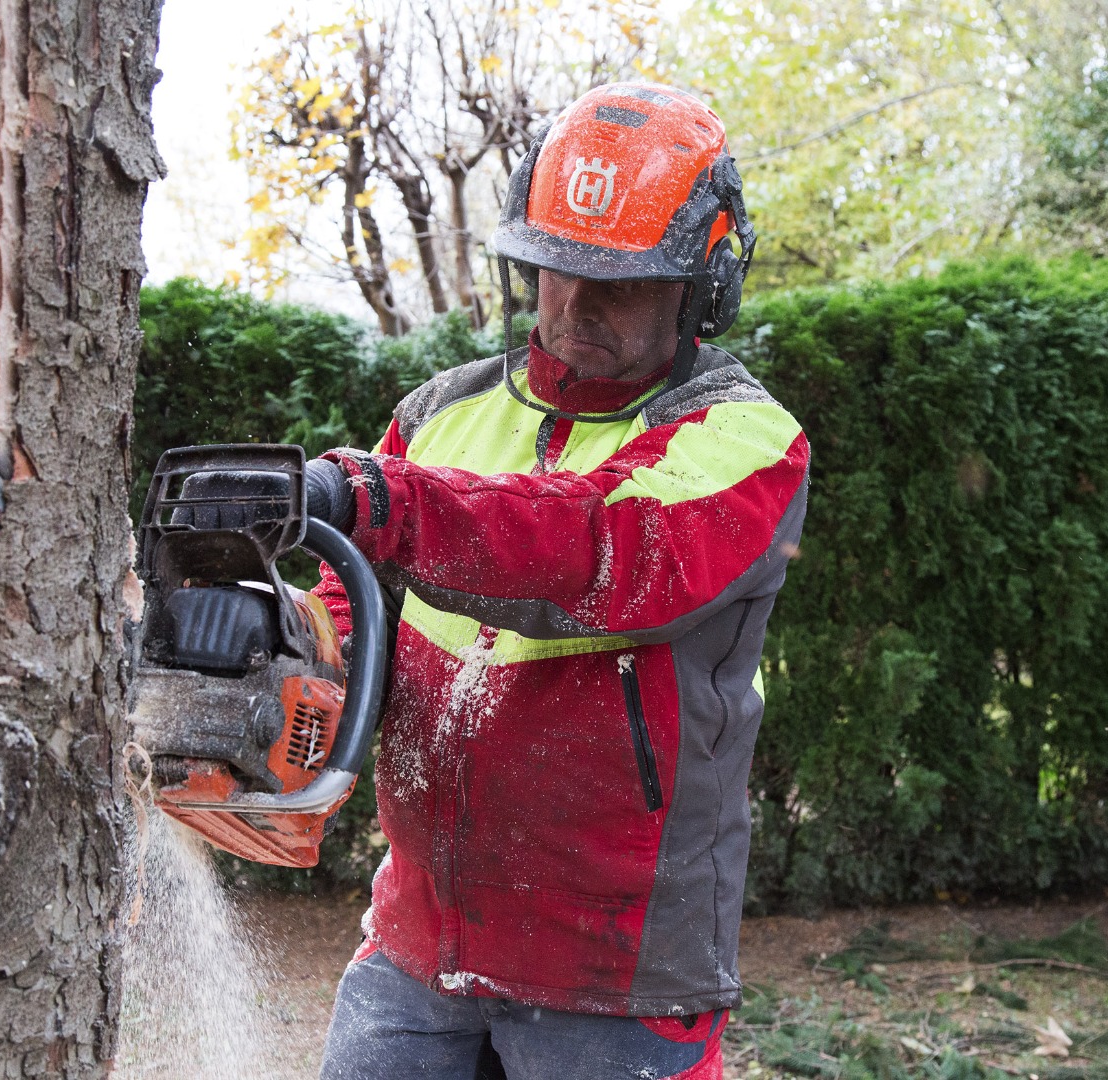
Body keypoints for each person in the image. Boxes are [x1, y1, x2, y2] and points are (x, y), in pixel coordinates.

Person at [302, 82, 810, 1080]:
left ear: (702, 282)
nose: (574, 304)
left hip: (616, 974)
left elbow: (596, 552)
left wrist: (383, 503)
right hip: (420, 941)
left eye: (617, 282)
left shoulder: (745, 440)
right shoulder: (441, 415)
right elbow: (344, 607)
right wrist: (273, 651)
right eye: (553, 269)